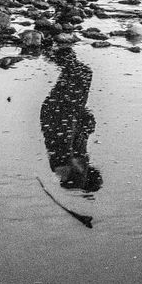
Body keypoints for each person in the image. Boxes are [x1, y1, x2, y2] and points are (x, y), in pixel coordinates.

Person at [41, 47, 103, 193]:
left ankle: (67, 60)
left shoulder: (69, 163)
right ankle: (67, 60)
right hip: (59, 114)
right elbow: (77, 141)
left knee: (83, 73)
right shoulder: (76, 161)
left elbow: (72, 144)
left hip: (58, 114)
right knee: (84, 73)